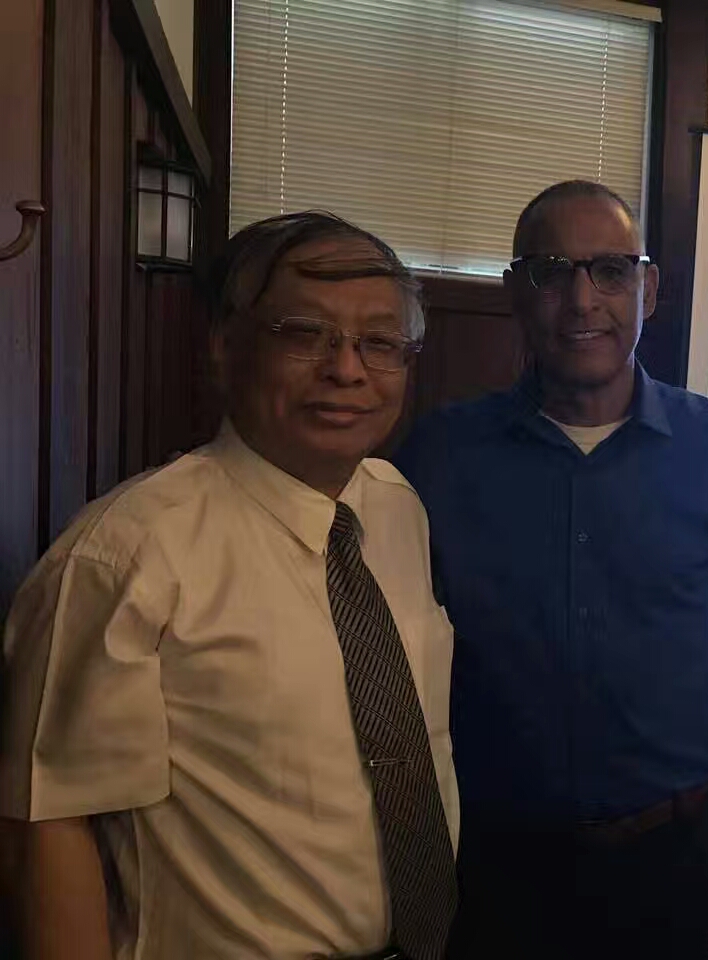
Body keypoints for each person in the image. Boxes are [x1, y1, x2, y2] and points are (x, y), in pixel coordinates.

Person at [0, 212, 458, 960]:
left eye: (380, 342)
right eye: (305, 333)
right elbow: (47, 825)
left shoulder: (395, 507)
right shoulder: (124, 555)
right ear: (225, 346)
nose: (347, 370)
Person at [396, 181, 708, 960]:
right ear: (516, 292)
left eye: (611, 271)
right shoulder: (440, 458)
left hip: (683, 853)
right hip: (497, 860)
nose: (582, 300)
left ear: (647, 289)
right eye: (552, 272)